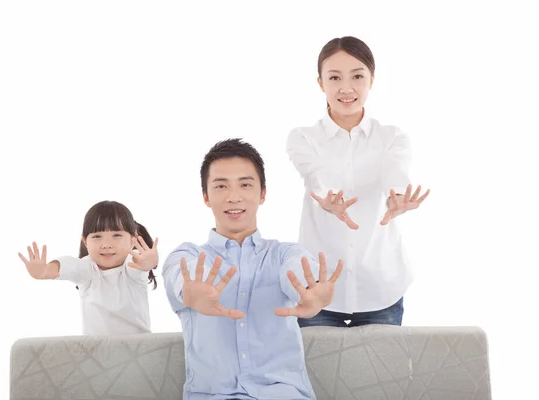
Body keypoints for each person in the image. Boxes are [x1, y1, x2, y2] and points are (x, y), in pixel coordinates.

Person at [162, 139, 342, 400]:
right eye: (221, 186)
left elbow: (297, 271)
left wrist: (310, 289)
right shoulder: (188, 256)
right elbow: (179, 277)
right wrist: (192, 294)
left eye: (245, 184)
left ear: (262, 194)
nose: (234, 196)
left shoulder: (285, 254)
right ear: (205, 196)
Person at [287, 36, 430, 328]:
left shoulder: (392, 137)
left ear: (372, 79)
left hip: (380, 288)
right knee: (317, 373)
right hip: (319, 290)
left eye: (357, 76)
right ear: (320, 83)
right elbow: (313, 173)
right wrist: (327, 198)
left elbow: (395, 172)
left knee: (382, 375)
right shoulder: (302, 137)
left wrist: (397, 197)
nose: (346, 88)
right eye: (335, 77)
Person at [18, 200, 158, 335]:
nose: (106, 244)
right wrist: (46, 271)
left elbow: (140, 264)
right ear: (85, 241)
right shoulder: (88, 270)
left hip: (139, 351)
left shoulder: (131, 266)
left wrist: (148, 263)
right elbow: (70, 265)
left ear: (133, 239)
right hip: (97, 352)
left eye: (116, 235)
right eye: (97, 236)